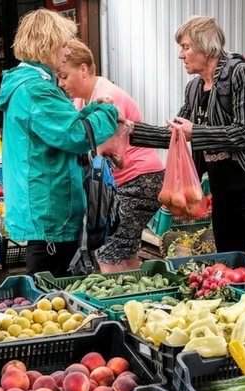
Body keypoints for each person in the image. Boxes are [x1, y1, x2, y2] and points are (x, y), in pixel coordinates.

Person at [129, 16, 245, 270]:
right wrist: (132, 130)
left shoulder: (239, 73)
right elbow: (178, 134)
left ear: (207, 47)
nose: (181, 55)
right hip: (222, 186)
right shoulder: (194, 88)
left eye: (186, 47)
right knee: (228, 259)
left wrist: (196, 132)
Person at [0, 9, 121, 276]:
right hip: (50, 210)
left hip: (45, 205)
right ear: (48, 44)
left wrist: (89, 111)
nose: (67, 53)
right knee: (51, 299)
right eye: (64, 45)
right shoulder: (36, 89)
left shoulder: (29, 84)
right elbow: (75, 135)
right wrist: (109, 113)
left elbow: (58, 127)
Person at [58, 40, 165, 273]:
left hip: (139, 181)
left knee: (108, 255)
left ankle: (118, 305)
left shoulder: (107, 96)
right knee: (123, 256)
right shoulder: (82, 99)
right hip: (122, 183)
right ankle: (141, 299)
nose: (61, 83)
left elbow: (103, 153)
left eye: (65, 76)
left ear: (84, 69)